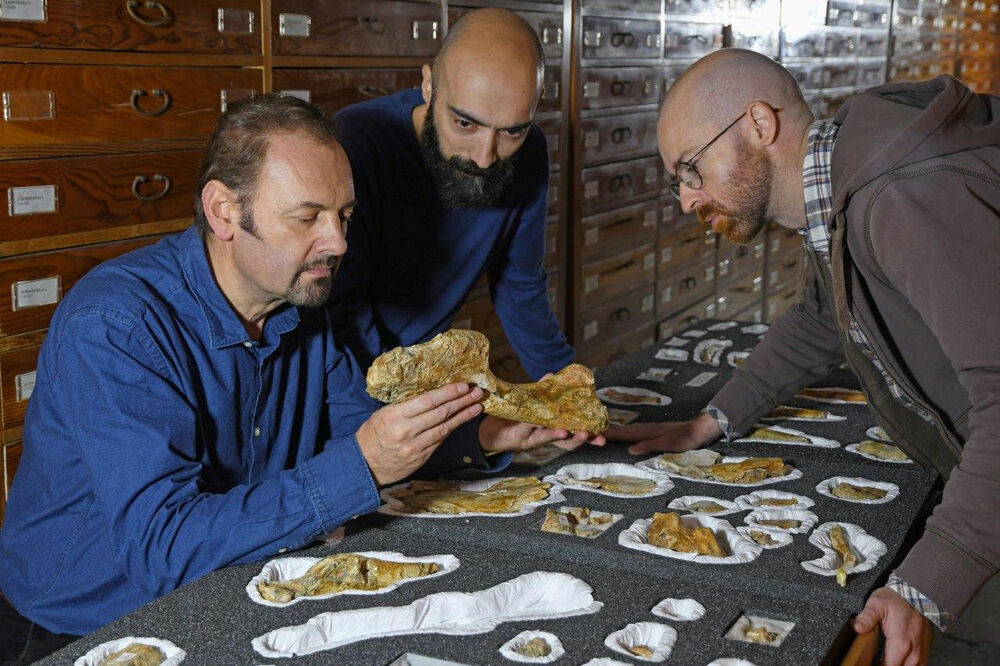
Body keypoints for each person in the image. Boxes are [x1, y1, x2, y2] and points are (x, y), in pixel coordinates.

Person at [0, 94, 577, 662]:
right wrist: (364, 463)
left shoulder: (301, 304)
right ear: (224, 211)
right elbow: (162, 548)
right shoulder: (116, 325)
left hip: (231, 586)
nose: (339, 243)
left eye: (345, 216)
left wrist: (479, 437)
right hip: (81, 629)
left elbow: (360, 430)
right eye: (308, 217)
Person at [612, 48, 1000, 665]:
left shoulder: (897, 195)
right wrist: (712, 421)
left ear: (759, 125)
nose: (686, 200)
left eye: (692, 169)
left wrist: (929, 580)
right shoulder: (844, 178)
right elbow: (823, 315)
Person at [328, 8, 573, 383]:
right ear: (428, 85)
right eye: (464, 123)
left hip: (420, 378)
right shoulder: (356, 143)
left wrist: (573, 390)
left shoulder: (530, 152)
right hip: (343, 376)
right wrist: (414, 409)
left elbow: (520, 286)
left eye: (512, 131)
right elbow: (341, 316)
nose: (485, 156)